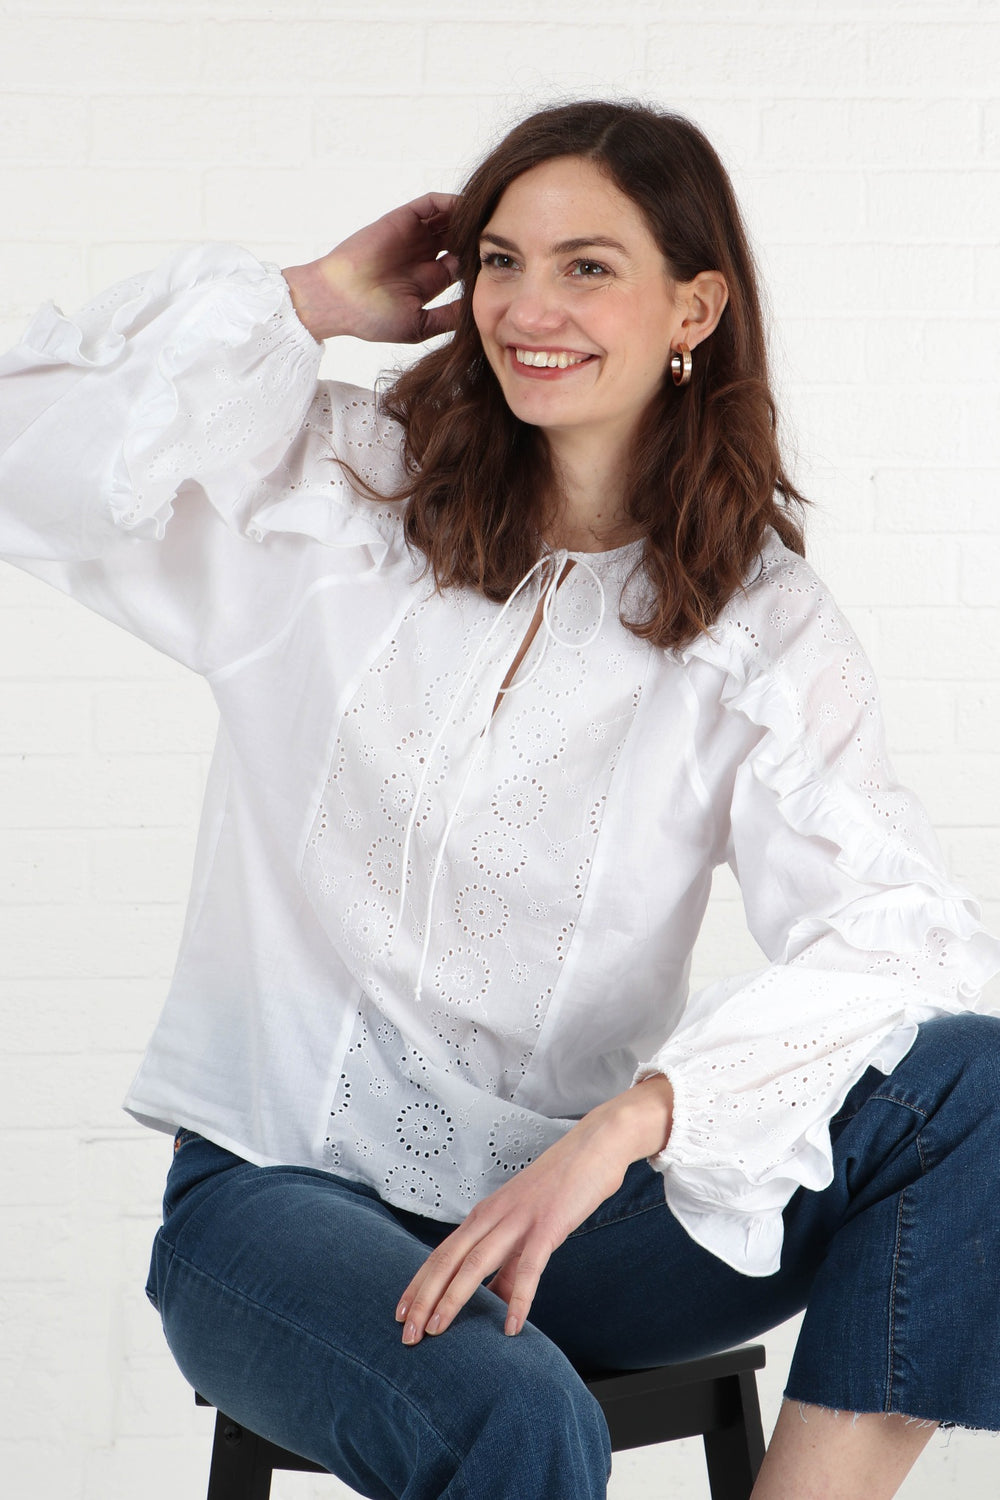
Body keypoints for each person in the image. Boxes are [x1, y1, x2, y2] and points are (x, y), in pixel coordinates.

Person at [1, 100, 998, 1500]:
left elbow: (911, 939)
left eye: (588, 266)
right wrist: (306, 304)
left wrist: (637, 1122)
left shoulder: (758, 631)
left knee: (973, 1087)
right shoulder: (333, 502)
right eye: (503, 261)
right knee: (514, 1414)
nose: (531, 306)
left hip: (560, 1221)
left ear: (692, 305)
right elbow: (25, 445)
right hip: (278, 1202)